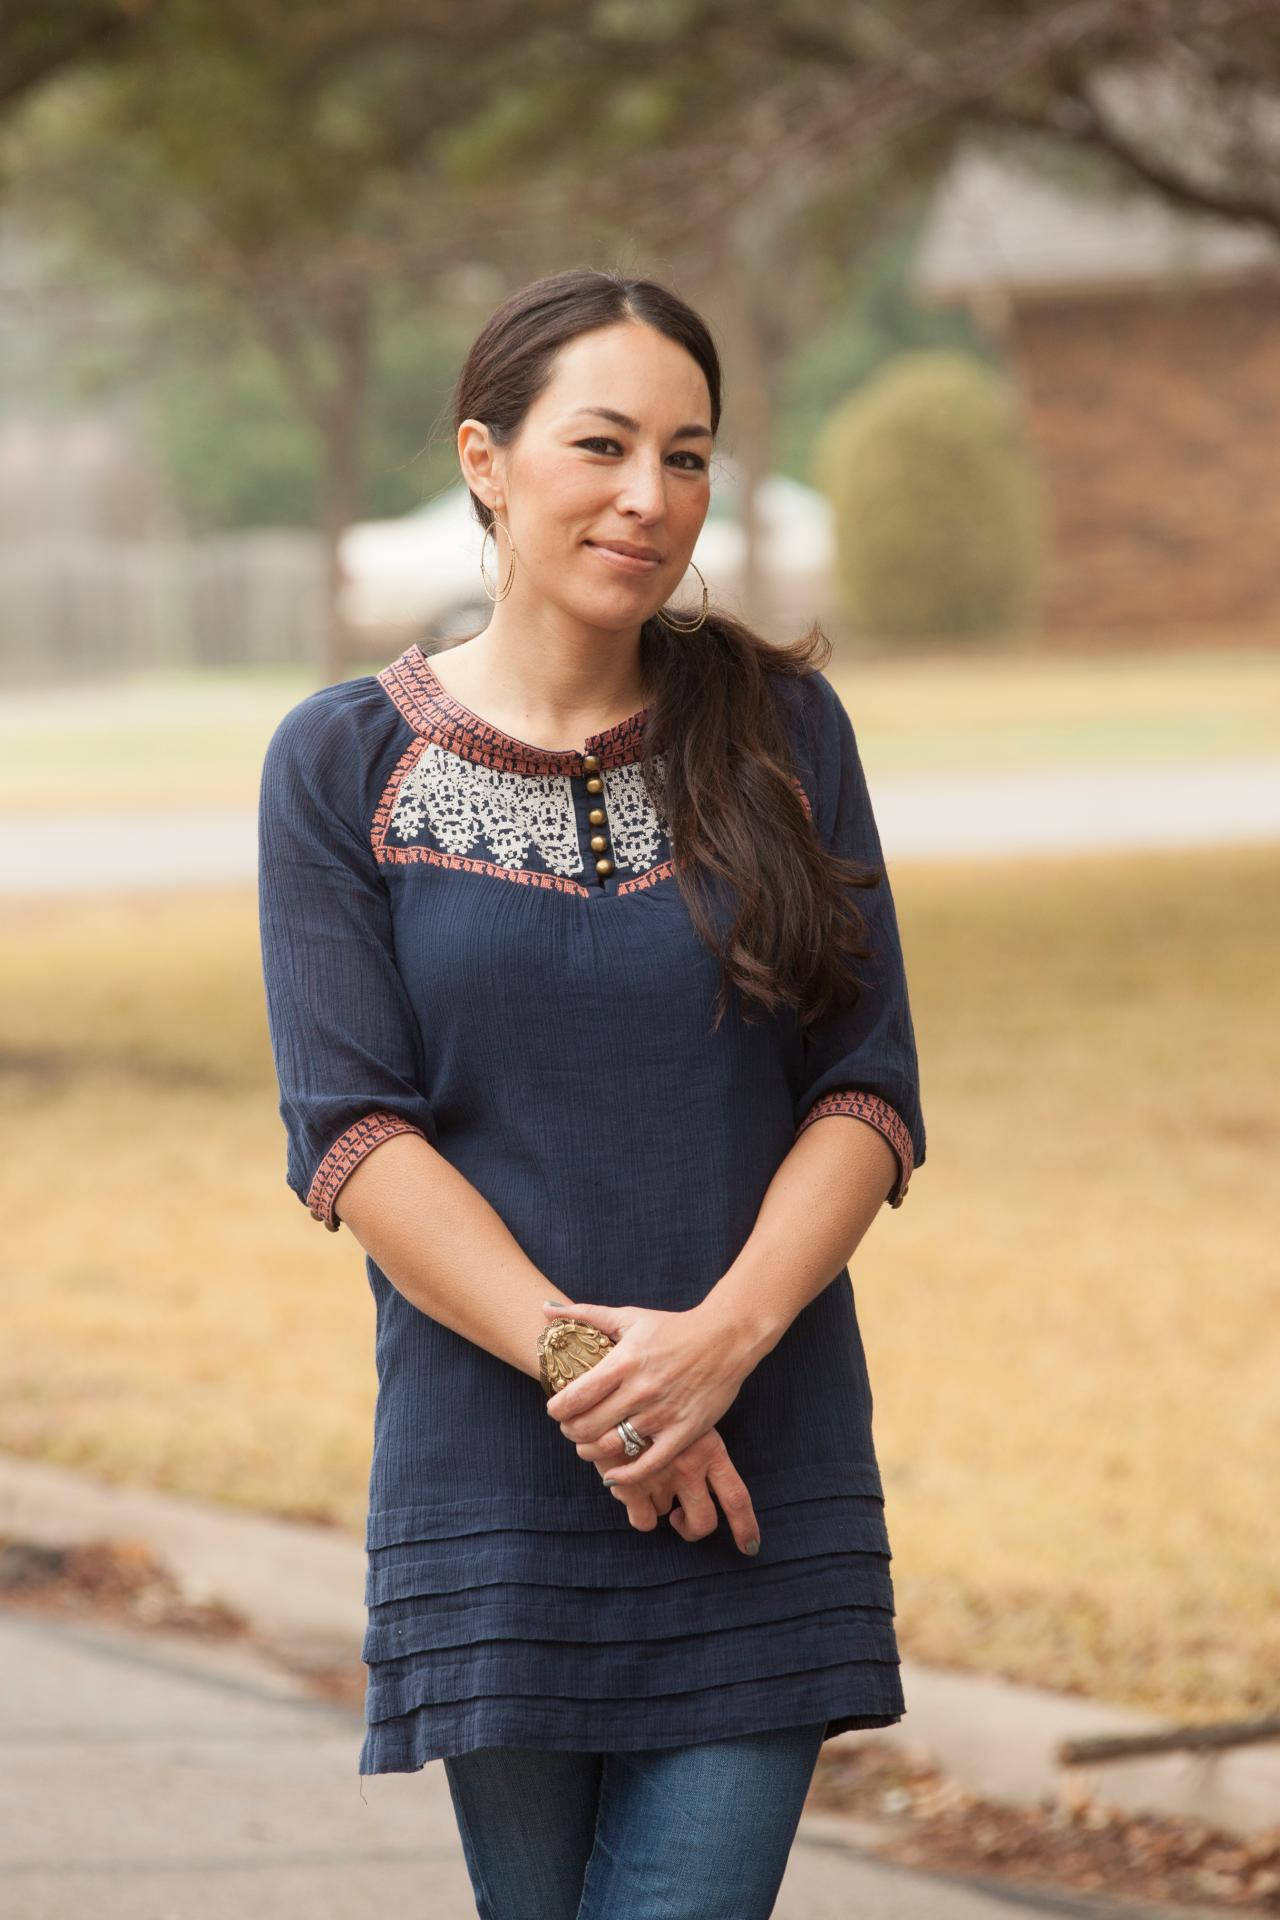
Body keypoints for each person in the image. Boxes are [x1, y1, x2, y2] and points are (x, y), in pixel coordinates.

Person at [257, 266, 927, 1920]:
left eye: (689, 456)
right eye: (605, 444)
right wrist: (603, 1379)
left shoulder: (785, 733)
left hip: (758, 1468)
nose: (651, 499)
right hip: (500, 1479)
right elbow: (352, 1136)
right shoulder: (340, 765)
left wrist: (717, 1352)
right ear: (486, 459)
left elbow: (868, 1095)